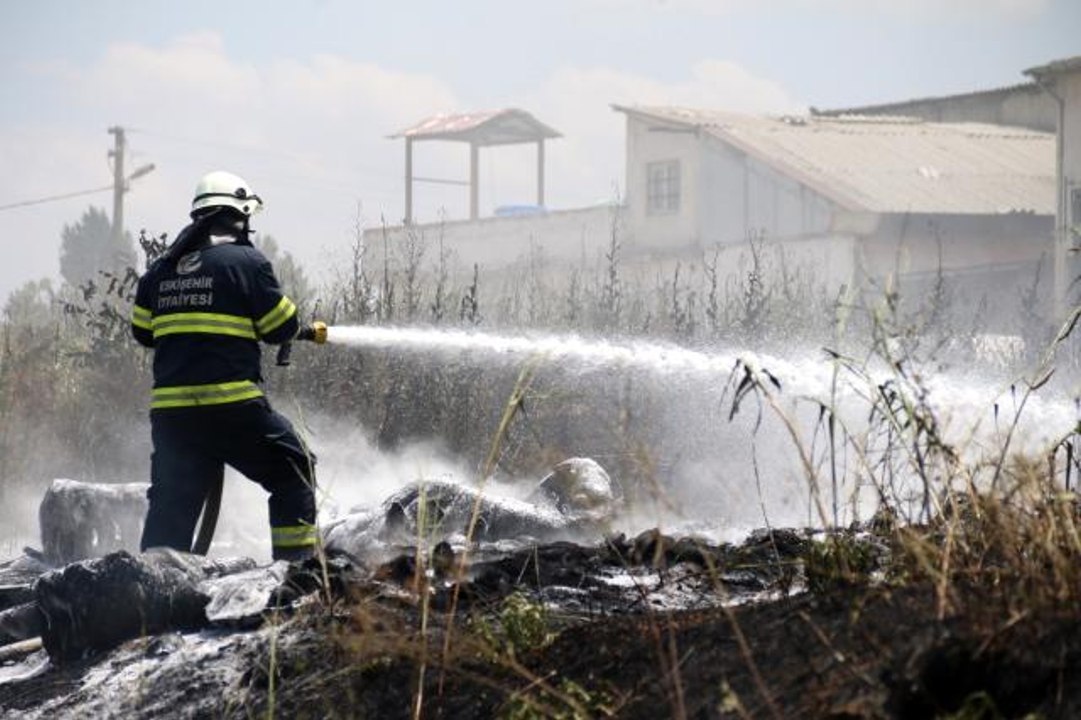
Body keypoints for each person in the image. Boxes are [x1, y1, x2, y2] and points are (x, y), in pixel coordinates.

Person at [130, 170, 318, 561]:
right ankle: (296, 576)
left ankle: (149, 601)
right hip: (233, 410)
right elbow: (280, 326)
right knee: (294, 470)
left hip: (173, 418)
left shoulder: (159, 273)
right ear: (241, 215)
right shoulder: (246, 262)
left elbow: (144, 333)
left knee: (170, 510)